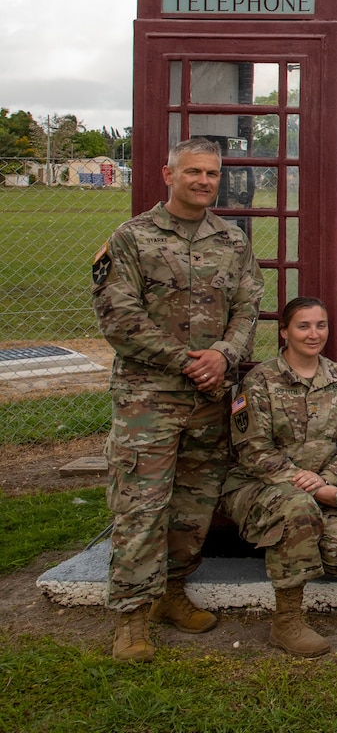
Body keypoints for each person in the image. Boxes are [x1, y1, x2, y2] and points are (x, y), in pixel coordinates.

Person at [92, 136, 263, 661]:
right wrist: (188, 360)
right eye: (193, 172)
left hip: (210, 397)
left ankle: (172, 592)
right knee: (141, 507)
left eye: (212, 173)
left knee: (193, 504)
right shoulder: (131, 238)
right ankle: (130, 616)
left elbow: (248, 306)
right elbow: (119, 319)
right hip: (150, 398)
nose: (204, 181)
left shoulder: (232, 241)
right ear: (168, 174)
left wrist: (225, 356)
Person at [222, 297, 337, 657]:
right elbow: (253, 450)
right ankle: (287, 620)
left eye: (320, 325)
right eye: (303, 326)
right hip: (261, 486)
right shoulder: (259, 381)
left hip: (324, 486)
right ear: (284, 332)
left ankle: (293, 544)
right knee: (297, 507)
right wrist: (303, 482)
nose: (313, 334)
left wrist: (328, 479)